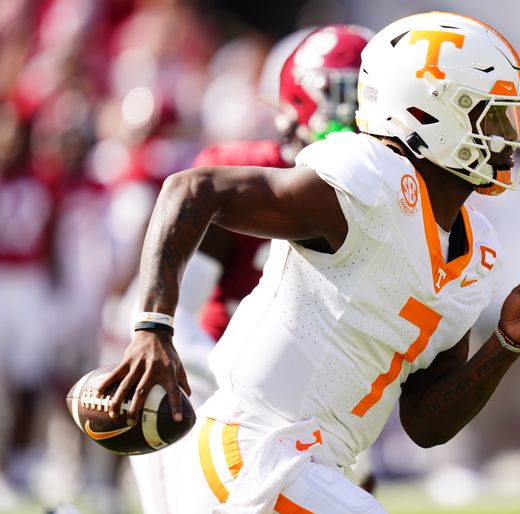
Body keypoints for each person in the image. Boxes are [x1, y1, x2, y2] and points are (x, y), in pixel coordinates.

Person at [103, 11, 520, 513]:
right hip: (250, 449)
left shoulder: (477, 251)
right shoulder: (369, 177)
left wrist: (505, 344)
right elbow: (191, 190)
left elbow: (425, 423)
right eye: (494, 116)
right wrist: (152, 330)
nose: (510, 137)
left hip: (315, 466)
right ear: (435, 113)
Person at [127, 24, 375, 514]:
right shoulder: (244, 175)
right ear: (295, 98)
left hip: (303, 409)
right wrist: (248, 387)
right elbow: (181, 317)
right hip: (203, 392)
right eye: (344, 92)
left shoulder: (380, 196)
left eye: (367, 95)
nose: (353, 113)